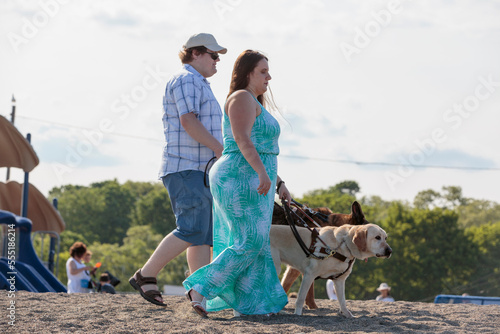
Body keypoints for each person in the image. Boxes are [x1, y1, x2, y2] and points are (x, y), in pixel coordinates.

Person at [182, 49, 291, 317]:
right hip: (239, 176)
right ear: (247, 73)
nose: (269, 77)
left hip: (253, 175)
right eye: (263, 72)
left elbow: (262, 148)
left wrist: (278, 183)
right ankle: (200, 288)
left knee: (254, 241)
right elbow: (242, 140)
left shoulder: (253, 100)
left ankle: (251, 306)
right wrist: (263, 175)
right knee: (250, 241)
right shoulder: (241, 97)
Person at [129, 33, 226, 306]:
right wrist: (220, 149)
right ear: (195, 53)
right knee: (192, 228)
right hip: (185, 167)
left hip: (196, 169)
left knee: (201, 235)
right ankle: (146, 275)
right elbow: (188, 122)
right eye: (213, 54)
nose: (218, 60)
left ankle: (198, 296)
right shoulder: (187, 80)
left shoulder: (198, 82)